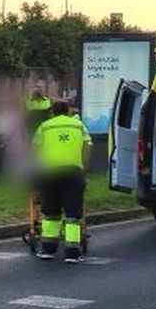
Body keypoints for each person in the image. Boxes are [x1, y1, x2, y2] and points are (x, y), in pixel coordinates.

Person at [31, 98, 92, 262]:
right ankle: (72, 253)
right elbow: (87, 146)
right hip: (73, 172)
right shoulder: (78, 125)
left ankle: (47, 250)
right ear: (68, 111)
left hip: (50, 173)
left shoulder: (44, 127)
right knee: (73, 214)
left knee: (50, 212)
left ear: (52, 112)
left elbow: (36, 149)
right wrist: (84, 166)